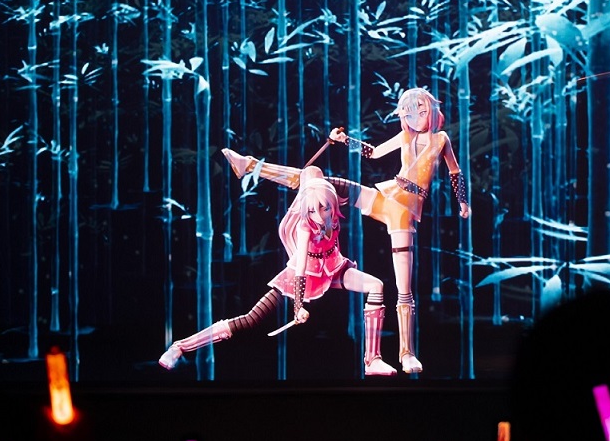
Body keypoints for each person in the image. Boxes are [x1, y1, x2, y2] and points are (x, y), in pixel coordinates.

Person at [223, 87, 470, 376]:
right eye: (408, 114)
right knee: (320, 184)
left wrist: (463, 202)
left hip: (405, 211)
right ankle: (251, 165)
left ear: (431, 111)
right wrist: (346, 140)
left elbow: (455, 172)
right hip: (387, 196)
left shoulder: (441, 140)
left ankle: (406, 352)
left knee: (404, 288)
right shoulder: (405, 137)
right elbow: (374, 152)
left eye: (421, 112)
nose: (415, 118)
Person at [159, 166, 386, 370]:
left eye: (324, 208)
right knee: (250, 319)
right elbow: (300, 269)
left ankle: (372, 360)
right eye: (311, 211)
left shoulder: (333, 211)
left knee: (376, 286)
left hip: (333, 269)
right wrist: (298, 306)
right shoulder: (305, 227)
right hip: (301, 277)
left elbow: (320, 177)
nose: (318, 216)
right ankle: (180, 346)